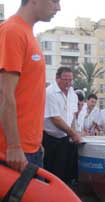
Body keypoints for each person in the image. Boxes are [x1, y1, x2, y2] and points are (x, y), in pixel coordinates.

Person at [0, 0, 60, 171]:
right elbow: (4, 93)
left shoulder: (27, 34)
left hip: (29, 148)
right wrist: (14, 146)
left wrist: (35, 142)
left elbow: (28, 94)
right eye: (54, 1)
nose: (58, 8)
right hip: (12, 153)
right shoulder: (12, 31)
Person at [43, 66, 81, 183]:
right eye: (65, 79)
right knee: (52, 172)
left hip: (66, 139)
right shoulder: (50, 93)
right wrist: (73, 134)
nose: (68, 83)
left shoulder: (73, 94)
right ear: (57, 78)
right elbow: (55, 119)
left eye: (71, 80)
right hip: (51, 139)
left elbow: (73, 116)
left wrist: (74, 134)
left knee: (65, 171)